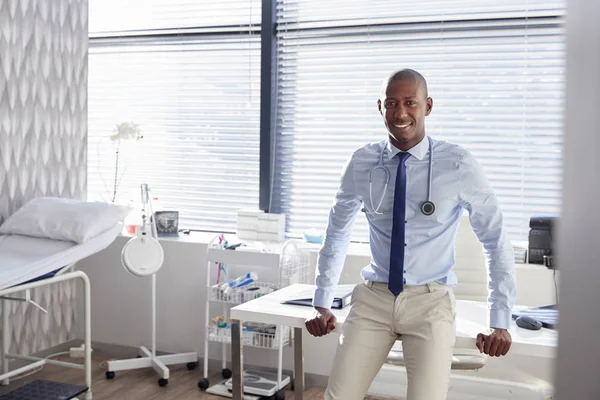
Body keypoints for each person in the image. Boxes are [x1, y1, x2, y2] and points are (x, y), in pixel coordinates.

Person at [305, 69, 516, 400]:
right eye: (391, 103)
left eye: (410, 103)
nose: (400, 113)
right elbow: (336, 233)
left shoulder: (457, 164)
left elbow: (496, 241)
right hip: (374, 298)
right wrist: (321, 301)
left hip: (431, 302)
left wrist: (499, 319)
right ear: (380, 107)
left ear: (427, 106)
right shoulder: (362, 162)